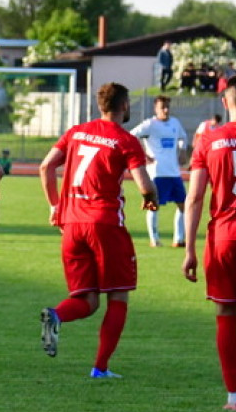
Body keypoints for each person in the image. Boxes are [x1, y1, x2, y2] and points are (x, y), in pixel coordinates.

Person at [39, 83, 158, 377]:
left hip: (72, 224)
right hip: (104, 224)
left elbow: (45, 167)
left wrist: (55, 206)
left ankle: (56, 315)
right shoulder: (126, 140)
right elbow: (145, 185)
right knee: (118, 296)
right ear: (125, 105)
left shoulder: (77, 132)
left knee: (87, 300)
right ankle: (100, 368)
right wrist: (151, 202)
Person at [182, 74, 236, 412]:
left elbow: (194, 198)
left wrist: (189, 248)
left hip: (221, 240)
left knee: (225, 316)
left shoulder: (208, 140)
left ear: (224, 102)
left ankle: (233, 396)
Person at [130, 95, 188, 247]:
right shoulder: (150, 124)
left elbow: (183, 137)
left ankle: (179, 239)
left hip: (174, 172)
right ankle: (154, 239)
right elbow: (131, 136)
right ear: (156, 109)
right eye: (163, 107)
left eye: (168, 106)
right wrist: (143, 154)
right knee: (154, 205)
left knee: (183, 205)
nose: (166, 110)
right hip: (157, 172)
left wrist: (182, 150)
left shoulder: (175, 123)